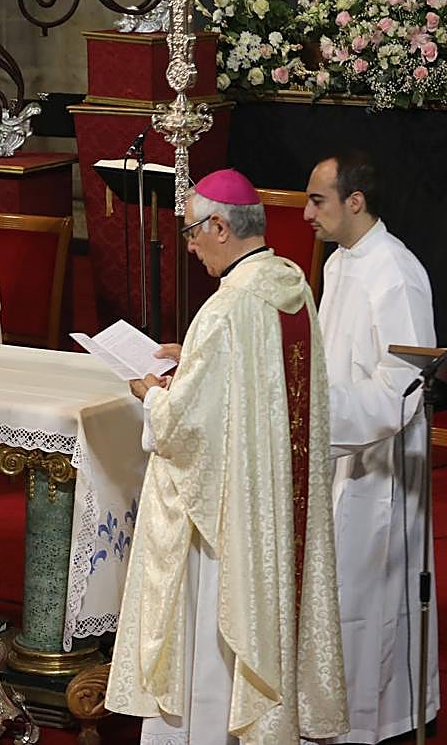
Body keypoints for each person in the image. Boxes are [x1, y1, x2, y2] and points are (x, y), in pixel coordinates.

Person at [107, 169, 349, 744]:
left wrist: (154, 394)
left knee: (212, 639)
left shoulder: (225, 310)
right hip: (276, 505)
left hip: (228, 523)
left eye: (192, 231)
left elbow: (189, 429)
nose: (188, 246)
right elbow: (257, 391)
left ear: (220, 225)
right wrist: (192, 355)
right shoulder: (291, 285)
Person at [304, 152, 439, 743]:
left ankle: (371, 720)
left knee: (368, 599)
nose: (305, 212)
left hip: (378, 467)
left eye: (317, 200)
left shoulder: (396, 272)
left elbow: (405, 386)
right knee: (336, 598)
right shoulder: (341, 262)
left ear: (354, 202)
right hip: (338, 450)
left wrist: (322, 416)